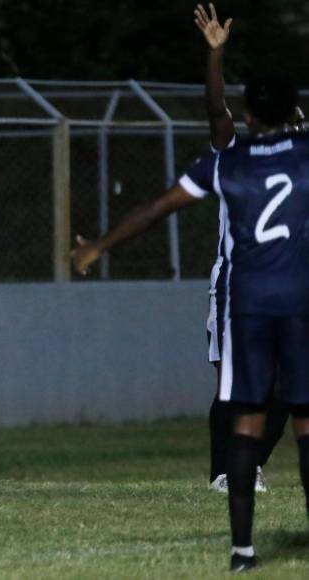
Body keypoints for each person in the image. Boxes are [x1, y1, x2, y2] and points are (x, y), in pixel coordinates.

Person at [73, 73, 309, 571]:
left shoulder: (226, 163)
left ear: (248, 116)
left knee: (245, 420)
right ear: (293, 113)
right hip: (299, 299)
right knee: (304, 420)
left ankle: (242, 550)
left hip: (250, 300)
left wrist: (99, 245)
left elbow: (159, 207)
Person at [193, 3, 289, 495]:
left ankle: (247, 464)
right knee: (235, 385)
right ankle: (224, 472)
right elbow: (215, 111)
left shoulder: (299, 164)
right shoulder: (234, 154)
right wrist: (215, 58)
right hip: (234, 286)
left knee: (285, 388)